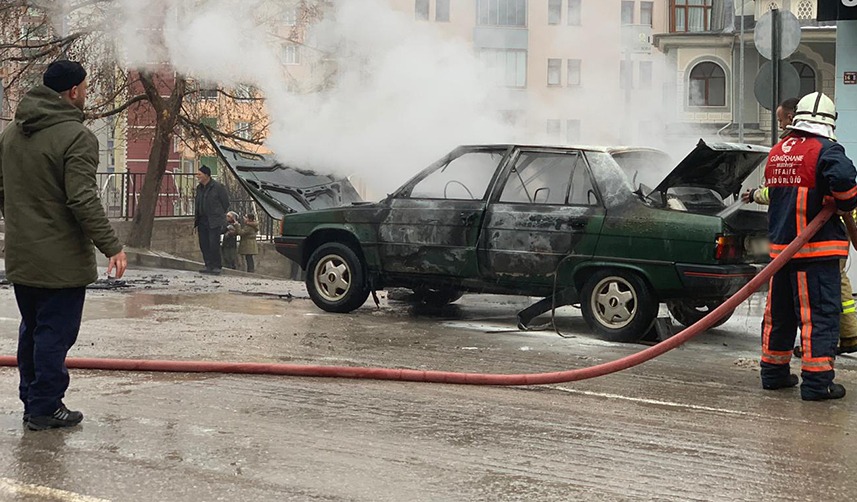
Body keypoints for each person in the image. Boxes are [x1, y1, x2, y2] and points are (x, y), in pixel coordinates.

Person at [0, 60, 127, 430]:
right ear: (73, 91)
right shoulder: (76, 136)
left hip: (23, 256)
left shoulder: (11, 134)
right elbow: (83, 199)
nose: (86, 93)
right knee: (55, 334)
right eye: (85, 88)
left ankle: (33, 400)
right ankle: (45, 407)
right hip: (61, 262)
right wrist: (112, 246)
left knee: (33, 328)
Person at [758, 92, 857, 401]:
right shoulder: (826, 150)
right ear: (828, 122)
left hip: (781, 254)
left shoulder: (778, 151)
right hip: (816, 253)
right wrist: (840, 201)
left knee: (780, 316)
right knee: (820, 317)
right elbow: (846, 186)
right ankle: (817, 384)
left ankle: (773, 374)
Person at [194, 165, 229, 275]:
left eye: (200, 174)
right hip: (202, 220)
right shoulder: (199, 188)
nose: (197, 176)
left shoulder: (218, 187)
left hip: (214, 220)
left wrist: (218, 214)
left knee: (214, 244)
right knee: (204, 244)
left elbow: (225, 203)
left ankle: (217, 266)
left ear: (206, 175)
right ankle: (208, 265)